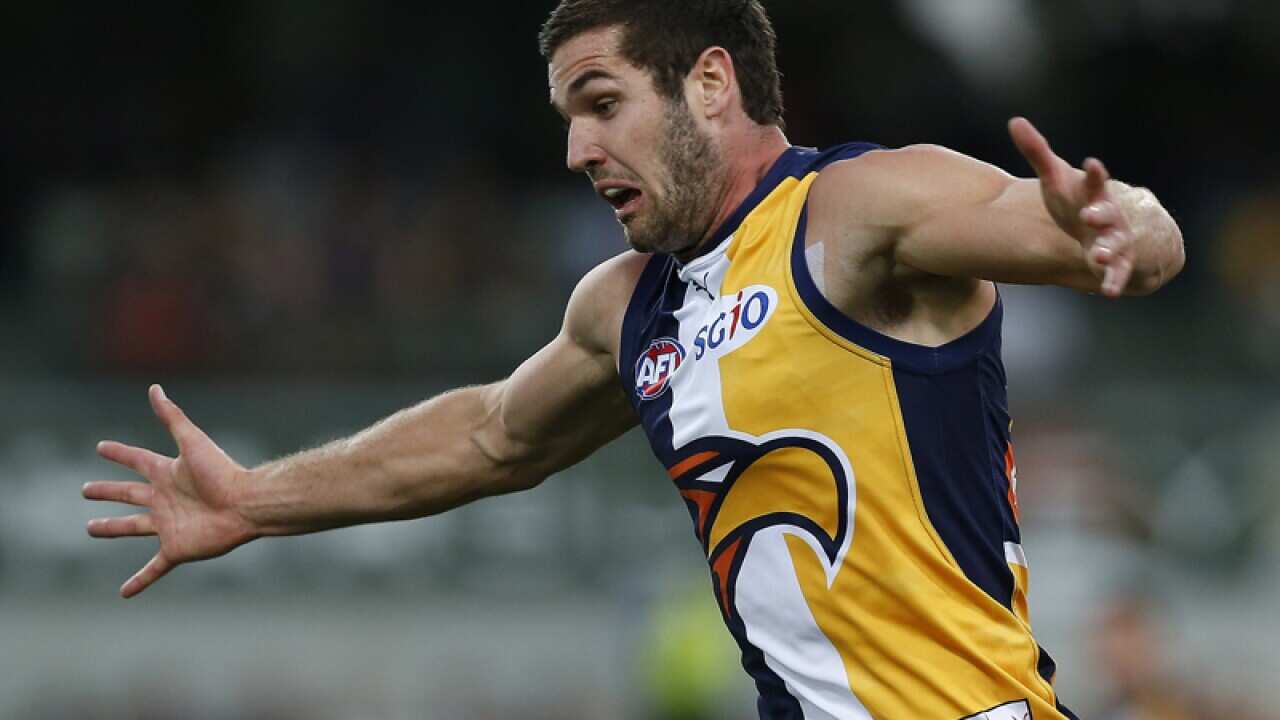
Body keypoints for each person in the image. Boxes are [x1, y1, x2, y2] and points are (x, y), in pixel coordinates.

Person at [84, 2, 1185, 718]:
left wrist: (1122, 229)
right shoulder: (625, 307)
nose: (577, 150)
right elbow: (490, 437)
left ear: (709, 83)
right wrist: (253, 500)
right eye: (569, 118)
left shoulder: (855, 209)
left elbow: (1111, 232)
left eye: (602, 103)